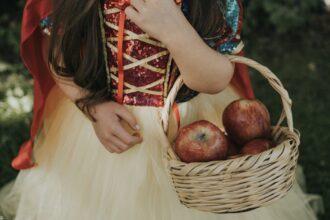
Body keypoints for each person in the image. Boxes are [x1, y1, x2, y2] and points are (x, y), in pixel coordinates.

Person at [0, 0, 320, 219]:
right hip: (106, 131)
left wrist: (174, 29)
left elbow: (216, 79)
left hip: (192, 119)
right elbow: (57, 53)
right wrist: (92, 105)